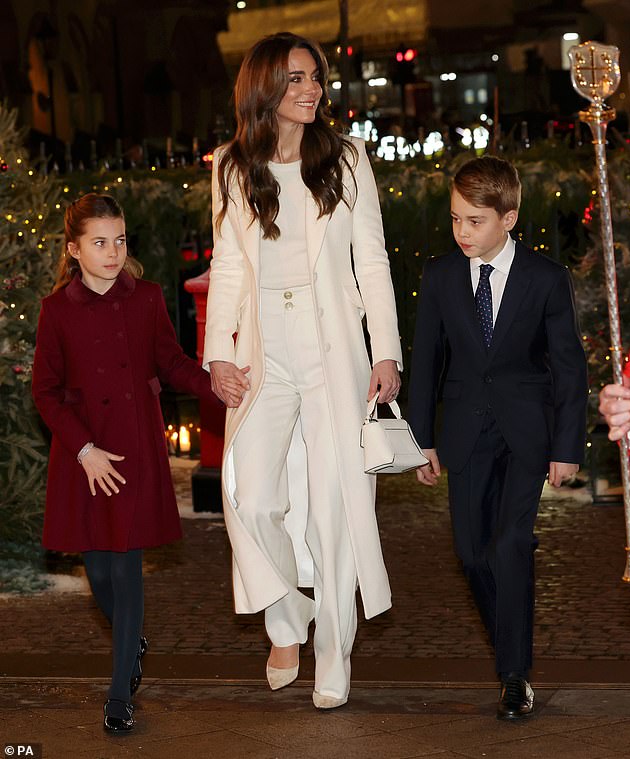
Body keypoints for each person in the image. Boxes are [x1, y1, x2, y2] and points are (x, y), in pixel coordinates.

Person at [203, 32, 401, 709]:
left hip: (333, 343)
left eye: (315, 77)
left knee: (335, 500)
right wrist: (220, 354)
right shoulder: (232, 165)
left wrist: (385, 351)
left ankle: (333, 650)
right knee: (249, 496)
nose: (311, 88)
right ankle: (288, 615)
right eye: (295, 78)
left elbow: (371, 259)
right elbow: (228, 263)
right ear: (264, 88)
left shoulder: (345, 158)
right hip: (264, 345)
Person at [409, 156, 587, 720]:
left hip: (526, 433)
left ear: (508, 218)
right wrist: (422, 440)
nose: (462, 231)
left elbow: (569, 367)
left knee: (511, 544)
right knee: (471, 553)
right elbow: (426, 363)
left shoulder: (545, 278)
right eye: (456, 219)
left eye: (475, 221)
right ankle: (511, 646)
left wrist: (566, 447)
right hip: (463, 432)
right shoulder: (439, 277)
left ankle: (514, 674)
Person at [32, 194, 215, 733]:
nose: (113, 252)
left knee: (127, 567)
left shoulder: (148, 299)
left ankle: (117, 695)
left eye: (120, 240)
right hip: (84, 454)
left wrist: (215, 384)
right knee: (98, 571)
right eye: (99, 242)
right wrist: (84, 450)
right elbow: (44, 392)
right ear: (74, 249)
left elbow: (174, 362)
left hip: (134, 450)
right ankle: (131, 643)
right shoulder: (56, 310)